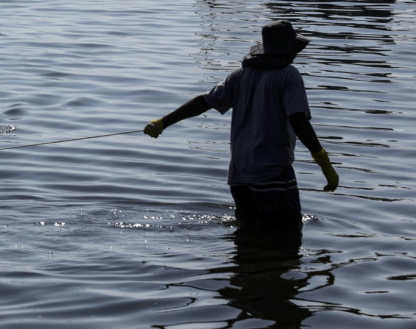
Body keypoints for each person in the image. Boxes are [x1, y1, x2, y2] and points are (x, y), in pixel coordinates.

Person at [143, 20, 340, 228]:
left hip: (239, 175)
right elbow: (298, 119)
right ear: (289, 49)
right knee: (286, 235)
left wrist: (164, 122)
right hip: (272, 172)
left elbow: (204, 101)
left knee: (247, 235)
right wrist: (321, 158)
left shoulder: (241, 74)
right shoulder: (288, 76)